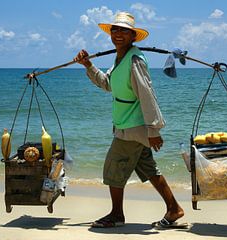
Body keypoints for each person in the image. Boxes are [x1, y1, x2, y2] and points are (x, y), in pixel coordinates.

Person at [73, 11, 184, 228]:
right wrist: (88, 65)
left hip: (132, 126)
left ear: (133, 36)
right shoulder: (119, 59)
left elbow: (146, 94)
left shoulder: (134, 60)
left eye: (124, 31)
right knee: (148, 169)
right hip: (128, 125)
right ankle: (174, 209)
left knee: (113, 168)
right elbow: (108, 84)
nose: (118, 34)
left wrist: (153, 130)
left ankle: (116, 215)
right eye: (115, 30)